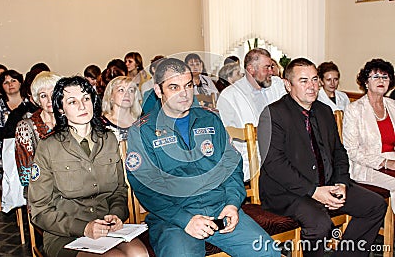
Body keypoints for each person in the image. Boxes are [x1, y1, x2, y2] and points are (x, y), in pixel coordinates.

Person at [126, 58, 279, 257]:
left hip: (220, 207)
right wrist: (185, 220)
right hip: (174, 218)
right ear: (158, 91)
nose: (184, 93)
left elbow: (231, 166)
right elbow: (145, 186)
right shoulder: (142, 131)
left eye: (188, 85)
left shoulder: (210, 119)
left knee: (268, 252)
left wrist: (232, 204)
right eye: (174, 87)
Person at [258, 57, 387, 257]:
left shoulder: (324, 111)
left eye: (315, 79)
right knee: (319, 224)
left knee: (375, 205)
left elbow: (339, 152)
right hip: (288, 193)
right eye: (303, 81)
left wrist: (342, 183)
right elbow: (274, 164)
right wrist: (313, 191)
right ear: (287, 84)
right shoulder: (273, 114)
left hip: (328, 184)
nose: (312, 86)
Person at [28, 76, 148, 257]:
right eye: (72, 101)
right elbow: (39, 210)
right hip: (65, 232)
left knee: (139, 253)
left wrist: (116, 215)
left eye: (86, 98)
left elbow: (119, 190)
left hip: (105, 226)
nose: (82, 106)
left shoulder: (108, 139)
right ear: (61, 109)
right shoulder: (48, 147)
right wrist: (83, 228)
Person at [216, 48, 286, 181]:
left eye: (271, 66)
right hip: (250, 158)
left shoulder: (276, 86)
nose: (271, 71)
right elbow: (225, 138)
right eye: (267, 67)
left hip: (281, 152)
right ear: (251, 69)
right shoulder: (229, 96)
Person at [343, 58, 395, 212]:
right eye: (376, 76)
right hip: (367, 168)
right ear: (366, 82)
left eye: (385, 77)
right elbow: (351, 150)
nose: (381, 80)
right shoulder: (354, 110)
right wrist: (385, 163)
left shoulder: (392, 106)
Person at [15, 71, 61, 196]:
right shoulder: (25, 127)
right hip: (42, 194)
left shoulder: (70, 122)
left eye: (53, 93)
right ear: (36, 100)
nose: (49, 100)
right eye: (43, 95)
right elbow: (26, 175)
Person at [0, 70, 26, 165]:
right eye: (6, 82)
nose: (10, 84)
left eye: (13, 81)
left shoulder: (29, 104)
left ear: (20, 83)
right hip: (3, 152)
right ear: (1, 87)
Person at [102, 76, 141, 141]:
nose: (127, 94)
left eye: (131, 90)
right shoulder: (101, 125)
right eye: (121, 90)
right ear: (111, 96)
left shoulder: (143, 123)